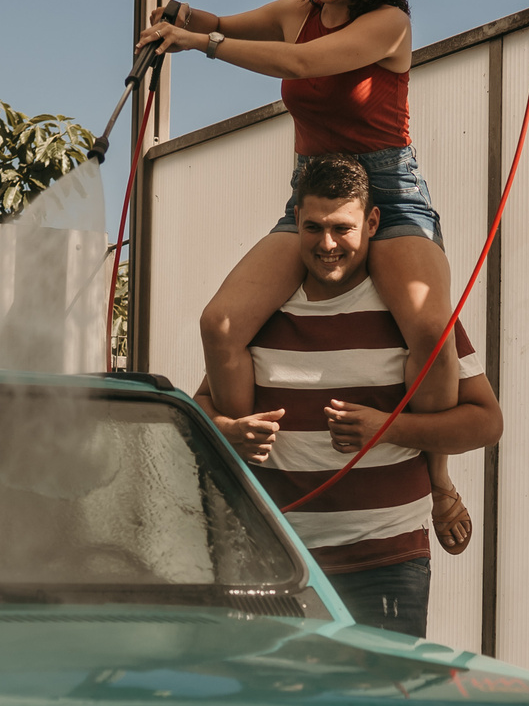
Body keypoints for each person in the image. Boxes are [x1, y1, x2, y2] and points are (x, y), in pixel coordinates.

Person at [138, 0, 473, 553]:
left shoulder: (389, 24)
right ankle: (242, 485)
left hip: (387, 192)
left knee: (430, 332)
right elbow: (223, 20)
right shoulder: (296, 13)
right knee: (219, 324)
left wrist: (199, 42)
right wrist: (181, 16)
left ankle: (439, 479)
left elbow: (298, 63)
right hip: (312, 195)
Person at [197, 154, 501, 640]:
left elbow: (486, 422)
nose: (327, 244)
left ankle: (441, 487)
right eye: (313, 228)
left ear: (372, 223)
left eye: (342, 228)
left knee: (381, 691)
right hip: (276, 562)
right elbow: (200, 409)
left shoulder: (409, 313)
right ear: (295, 221)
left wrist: (388, 428)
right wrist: (228, 431)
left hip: (386, 560)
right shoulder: (261, 309)